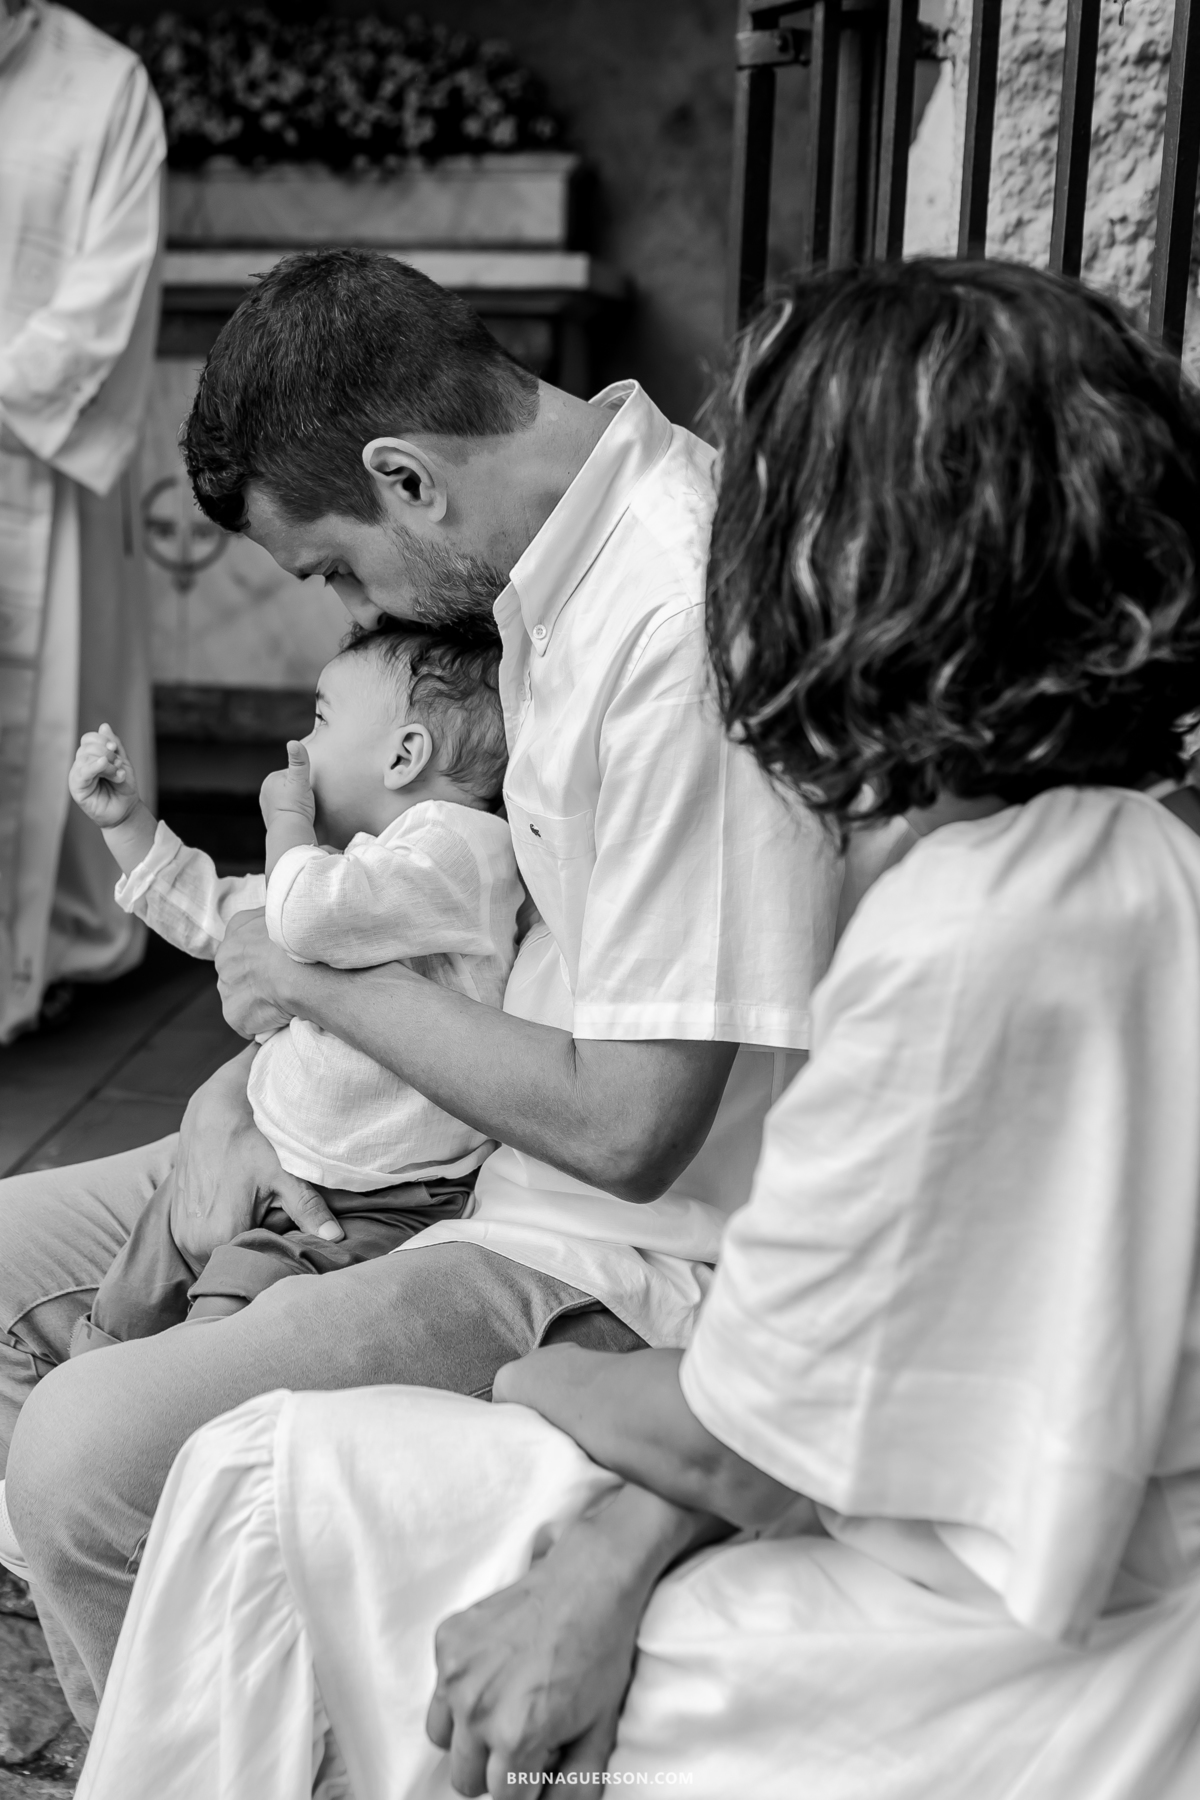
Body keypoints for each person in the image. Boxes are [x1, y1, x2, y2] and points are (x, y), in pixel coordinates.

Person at [74, 259, 1200, 1800]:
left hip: (954, 1640)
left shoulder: (954, 936)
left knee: (253, 1483)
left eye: (774, 504)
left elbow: (748, 1416)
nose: (736, 537)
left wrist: (545, 1399)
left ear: (884, 567)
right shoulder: (1135, 861)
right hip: (929, 1516)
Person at [0, 247, 839, 1728]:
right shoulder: (541, 588)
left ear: (407, 477)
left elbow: (638, 1127)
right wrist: (229, 1093)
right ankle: (163, 1703)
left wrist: (305, 996)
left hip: (592, 1254)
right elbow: (476, 951)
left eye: (329, 566)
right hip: (440, 1144)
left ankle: (218, 1741)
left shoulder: (669, 615)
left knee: (81, 1458)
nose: (346, 609)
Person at [60, 622, 519, 1346]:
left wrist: (287, 822)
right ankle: (77, 1417)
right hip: (274, 1155)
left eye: (321, 719)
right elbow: (231, 917)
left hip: (373, 1198)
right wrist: (129, 826)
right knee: (124, 1309)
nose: (300, 745)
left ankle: (146, 1422)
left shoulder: (459, 852)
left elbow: (299, 915)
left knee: (213, 1342)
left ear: (404, 756)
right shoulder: (358, 868)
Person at [0, 0, 164, 1041]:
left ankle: (42, 945)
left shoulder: (105, 84)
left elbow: (113, 278)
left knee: (48, 705)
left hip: (30, 457)